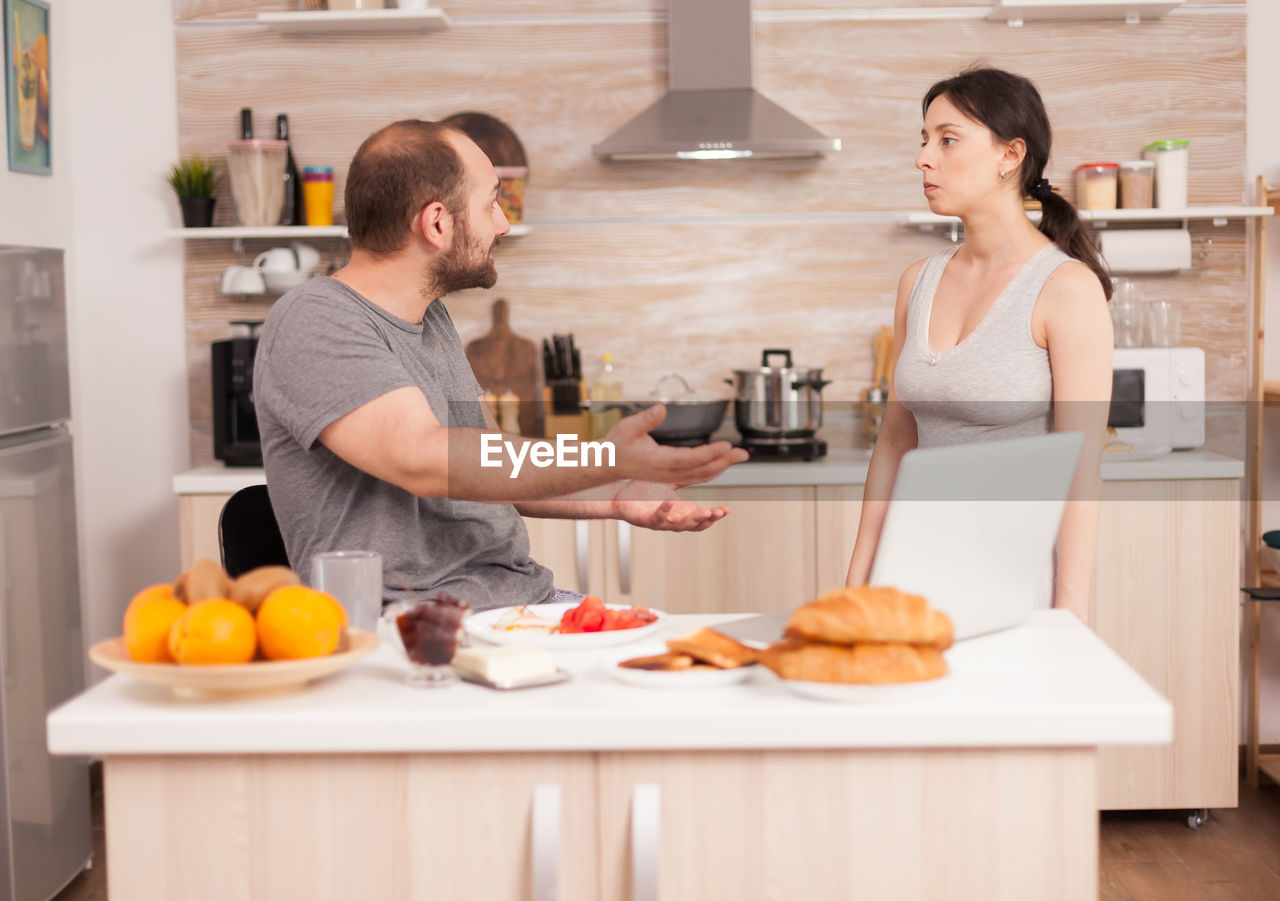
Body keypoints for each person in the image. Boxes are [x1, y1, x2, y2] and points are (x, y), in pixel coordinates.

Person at [254, 119, 747, 610]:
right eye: (491, 203)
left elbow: (491, 463)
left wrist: (618, 495)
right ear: (438, 223)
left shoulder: (431, 320)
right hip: (416, 628)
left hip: (517, 605)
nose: (503, 223)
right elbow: (424, 460)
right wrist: (602, 457)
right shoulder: (315, 319)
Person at [845, 68, 1114, 620]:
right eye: (923, 141)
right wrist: (858, 580)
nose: (924, 158)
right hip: (911, 569)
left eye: (947, 140)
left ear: (1010, 155)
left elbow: (1080, 466)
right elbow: (894, 444)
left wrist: (1070, 612)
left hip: (1011, 579)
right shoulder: (916, 281)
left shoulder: (1065, 289)